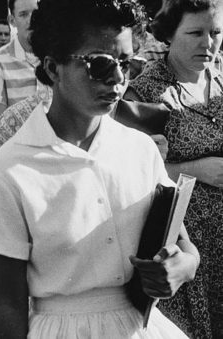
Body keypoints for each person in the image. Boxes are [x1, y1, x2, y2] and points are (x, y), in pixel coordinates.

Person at [0, 1, 200, 338]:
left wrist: (183, 266)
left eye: (126, 64)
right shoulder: (9, 170)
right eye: (101, 64)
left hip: (139, 327)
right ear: (52, 68)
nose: (118, 79)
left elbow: (185, 247)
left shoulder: (139, 150)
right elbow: (8, 303)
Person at [124, 0, 223, 337]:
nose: (208, 43)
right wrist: (195, 169)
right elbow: (129, 173)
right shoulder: (145, 93)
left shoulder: (222, 81)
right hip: (184, 244)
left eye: (216, 32)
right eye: (196, 32)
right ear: (169, 34)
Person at [0, 0, 50, 126]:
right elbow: (0, 123)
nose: (31, 20)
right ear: (12, 20)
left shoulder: (56, 56)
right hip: (18, 142)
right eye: (23, 14)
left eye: (35, 14)